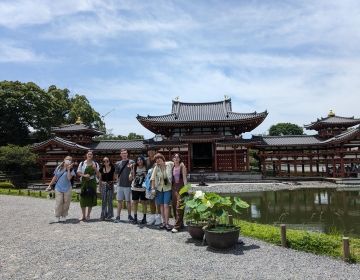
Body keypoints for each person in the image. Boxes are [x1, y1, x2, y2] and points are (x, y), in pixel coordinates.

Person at [46, 156, 76, 222]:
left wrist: (68, 169)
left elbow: (69, 178)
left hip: (67, 187)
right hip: (58, 187)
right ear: (64, 160)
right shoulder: (59, 167)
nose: (68, 161)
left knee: (66, 202)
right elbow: (55, 177)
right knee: (59, 202)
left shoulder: (72, 169)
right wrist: (49, 185)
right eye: (67, 160)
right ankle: (57, 215)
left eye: (70, 160)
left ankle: (64, 215)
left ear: (71, 162)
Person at [150, 153, 174, 231]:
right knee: (161, 206)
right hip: (159, 189)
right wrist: (153, 189)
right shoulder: (156, 167)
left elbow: (177, 164)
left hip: (168, 188)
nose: (158, 160)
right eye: (156, 159)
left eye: (159, 158)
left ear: (162, 158)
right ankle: (163, 222)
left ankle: (167, 223)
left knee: (166, 205)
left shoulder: (169, 164)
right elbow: (153, 178)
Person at [77, 150, 100, 221]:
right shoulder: (82, 163)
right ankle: (83, 215)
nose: (90, 155)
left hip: (92, 182)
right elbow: (78, 172)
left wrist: (95, 168)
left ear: (92, 156)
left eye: (91, 154)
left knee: (91, 197)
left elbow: (98, 174)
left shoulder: (95, 164)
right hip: (84, 182)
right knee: (83, 198)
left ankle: (88, 215)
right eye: (88, 154)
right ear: (86, 155)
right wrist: (84, 175)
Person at [114, 149, 134, 223]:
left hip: (128, 185)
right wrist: (117, 180)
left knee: (128, 201)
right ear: (120, 155)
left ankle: (129, 215)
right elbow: (116, 173)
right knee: (119, 201)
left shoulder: (132, 162)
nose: (124, 154)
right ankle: (118, 216)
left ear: (127, 154)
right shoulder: (118, 163)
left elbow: (133, 172)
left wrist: (132, 168)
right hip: (120, 185)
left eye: (125, 153)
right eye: (122, 153)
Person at [171, 153, 187, 233]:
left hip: (181, 187)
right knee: (174, 206)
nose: (176, 158)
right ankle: (181, 224)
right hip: (174, 188)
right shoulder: (173, 167)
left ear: (180, 159)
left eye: (178, 157)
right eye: (175, 157)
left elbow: (184, 178)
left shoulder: (182, 166)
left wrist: (186, 189)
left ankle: (176, 226)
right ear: (173, 159)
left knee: (179, 206)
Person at [145, 148, 162, 226]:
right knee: (151, 201)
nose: (150, 152)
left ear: (155, 151)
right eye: (149, 150)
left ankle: (158, 218)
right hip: (149, 184)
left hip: (157, 183)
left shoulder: (157, 159)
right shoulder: (146, 160)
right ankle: (152, 217)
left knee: (157, 201)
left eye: (152, 150)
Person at [129, 156, 147, 224]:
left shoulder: (146, 167)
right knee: (135, 202)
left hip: (143, 188)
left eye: (141, 159)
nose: (139, 161)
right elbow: (131, 177)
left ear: (143, 160)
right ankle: (135, 218)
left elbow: (147, 177)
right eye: (138, 160)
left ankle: (144, 218)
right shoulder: (134, 167)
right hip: (135, 187)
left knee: (144, 203)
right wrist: (131, 170)